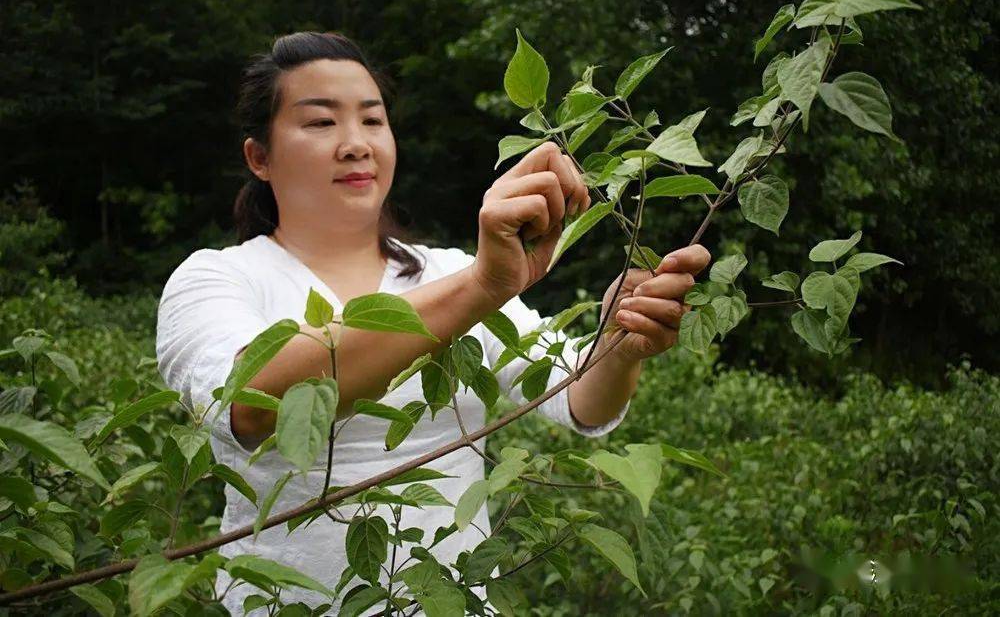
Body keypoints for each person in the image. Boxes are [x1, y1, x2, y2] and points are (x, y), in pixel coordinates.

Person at [155, 31, 710, 614]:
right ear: (259, 157)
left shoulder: (445, 271)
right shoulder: (215, 280)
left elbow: (578, 399)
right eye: (320, 123)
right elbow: (249, 404)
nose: (355, 144)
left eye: (373, 121)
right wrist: (483, 288)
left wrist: (619, 341)